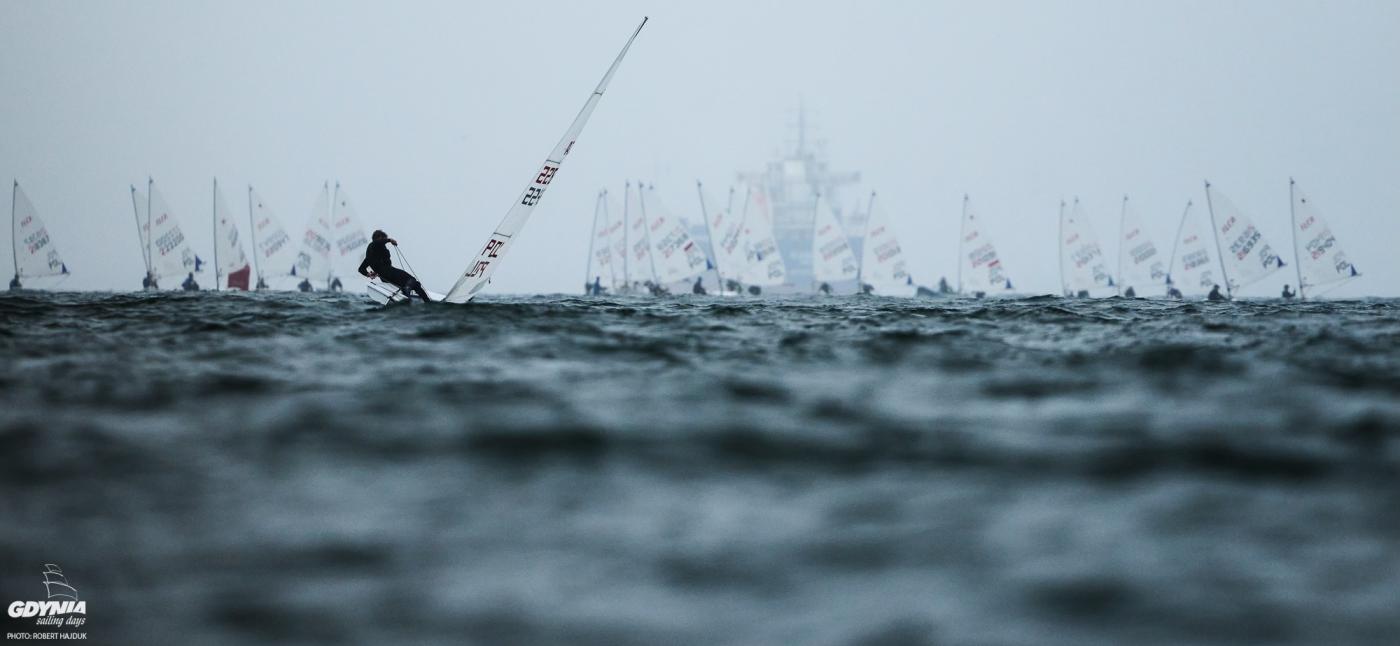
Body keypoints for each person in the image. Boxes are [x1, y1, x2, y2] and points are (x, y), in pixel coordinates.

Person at [359, 230, 432, 303]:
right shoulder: (374, 244)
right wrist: (390, 240)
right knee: (412, 280)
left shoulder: (369, 255)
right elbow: (378, 242)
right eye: (384, 239)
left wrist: (369, 274)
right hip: (389, 272)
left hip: (384, 277)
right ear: (380, 237)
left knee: (415, 284)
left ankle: (417, 298)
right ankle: (422, 300)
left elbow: (361, 269)